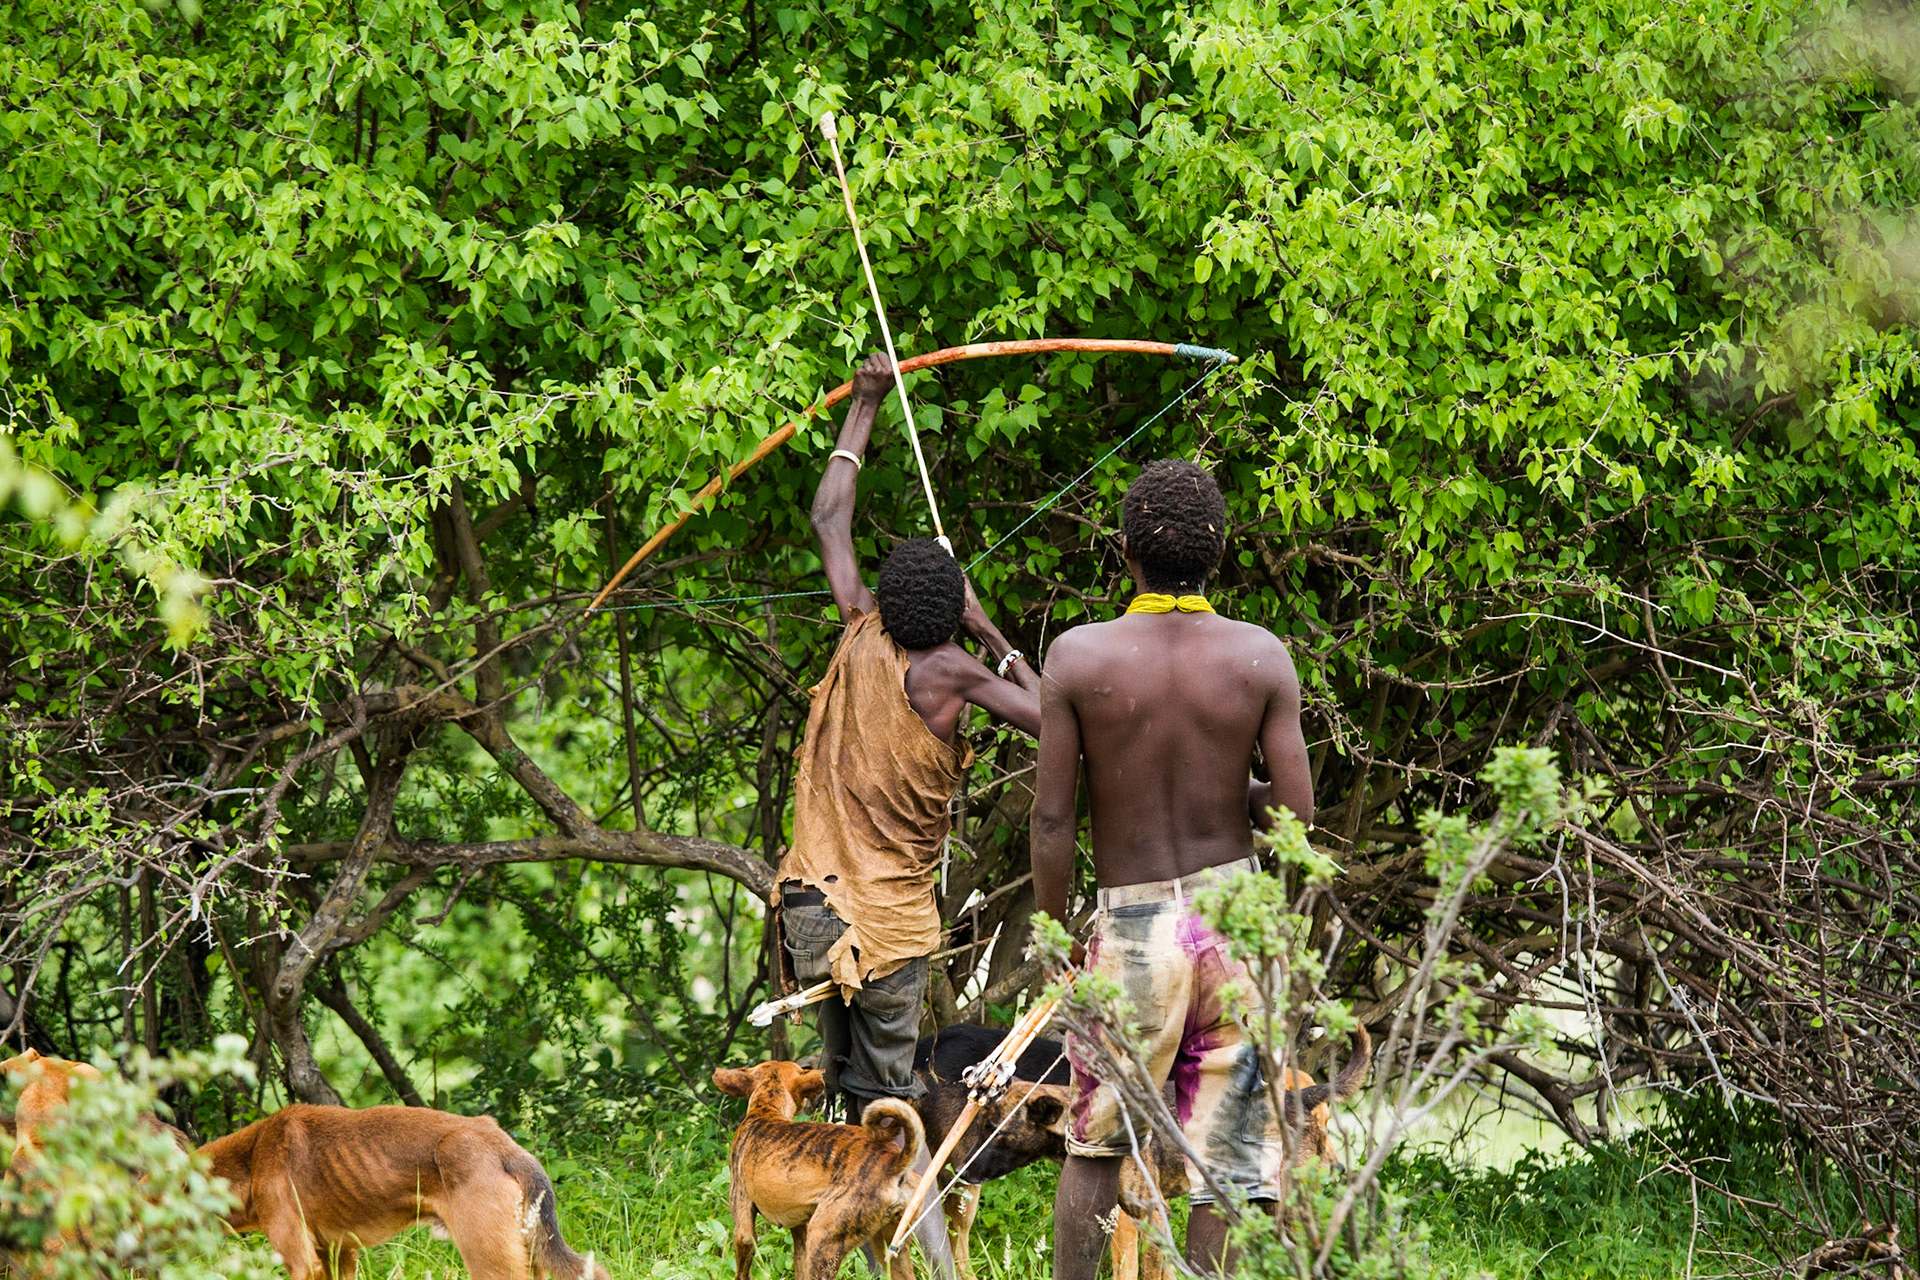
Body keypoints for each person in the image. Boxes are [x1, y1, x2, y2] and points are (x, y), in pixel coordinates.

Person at [1030, 458, 1315, 1279]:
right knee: (1228, 1165)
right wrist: (1234, 786)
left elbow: (1053, 820)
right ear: (1218, 554)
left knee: (1095, 1145)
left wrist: (1055, 939)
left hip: (1133, 927)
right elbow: (1296, 819)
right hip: (1235, 921)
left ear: (1126, 551)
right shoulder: (1260, 656)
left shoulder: (1080, 656)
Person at [777, 350, 1041, 1122]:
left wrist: (865, 401)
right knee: (889, 1107)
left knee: (839, 1092)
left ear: (888, 600)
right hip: (888, 923)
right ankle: (903, 1238)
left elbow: (830, 516)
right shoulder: (955, 672)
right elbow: (1061, 722)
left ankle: (832, 1219)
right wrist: (991, 629)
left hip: (813, 906)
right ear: (948, 614)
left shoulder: (861, 628)